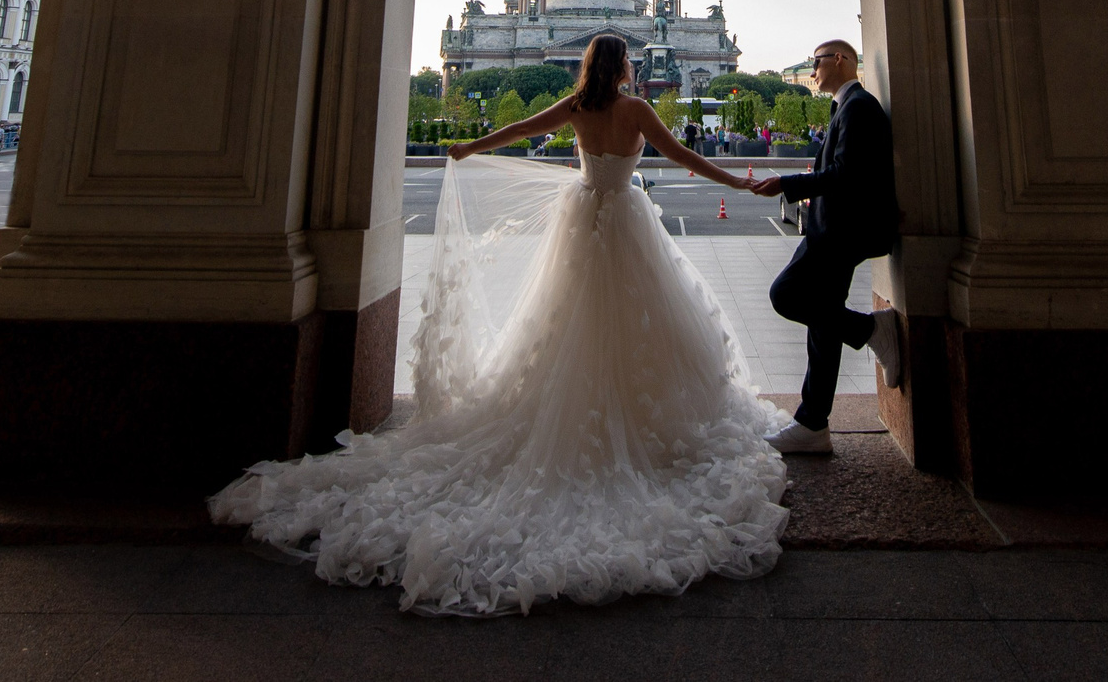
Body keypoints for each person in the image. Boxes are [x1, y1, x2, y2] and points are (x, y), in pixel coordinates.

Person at [209, 34, 786, 615]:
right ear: (622, 66)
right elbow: (682, 156)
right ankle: (640, 417)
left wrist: (470, 148)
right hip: (626, 224)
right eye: (630, 61)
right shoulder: (634, 108)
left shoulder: (577, 107)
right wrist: (737, 181)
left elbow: (521, 131)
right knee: (636, 320)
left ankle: (570, 404)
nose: (635, 66)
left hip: (584, 222)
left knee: (567, 320)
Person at [750, 39, 903, 455]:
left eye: (816, 62)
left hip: (839, 232)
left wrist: (787, 184)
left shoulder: (858, 107)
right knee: (823, 325)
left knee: (786, 295)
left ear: (840, 60)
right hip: (834, 229)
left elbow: (845, 175)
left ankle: (871, 330)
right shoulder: (847, 106)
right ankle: (813, 424)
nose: (813, 70)